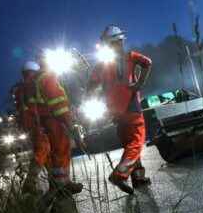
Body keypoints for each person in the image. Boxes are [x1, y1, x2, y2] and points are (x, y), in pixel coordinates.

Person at [88, 24, 152, 194]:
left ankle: (138, 178)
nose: (123, 43)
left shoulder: (100, 65)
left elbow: (91, 86)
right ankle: (119, 174)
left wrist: (95, 99)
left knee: (129, 143)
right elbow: (147, 63)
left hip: (115, 112)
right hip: (132, 108)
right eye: (121, 41)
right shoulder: (130, 56)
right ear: (118, 41)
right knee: (136, 142)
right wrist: (139, 83)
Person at [30, 60, 84, 196]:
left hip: (46, 121)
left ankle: (59, 184)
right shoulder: (48, 77)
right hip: (54, 121)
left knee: (55, 152)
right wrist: (69, 124)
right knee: (61, 149)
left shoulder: (37, 79)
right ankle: (62, 186)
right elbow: (58, 104)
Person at [15, 61, 51, 179]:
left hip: (29, 125)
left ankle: (54, 182)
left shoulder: (20, 88)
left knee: (46, 151)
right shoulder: (32, 85)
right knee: (43, 149)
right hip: (36, 123)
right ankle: (30, 180)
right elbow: (34, 107)